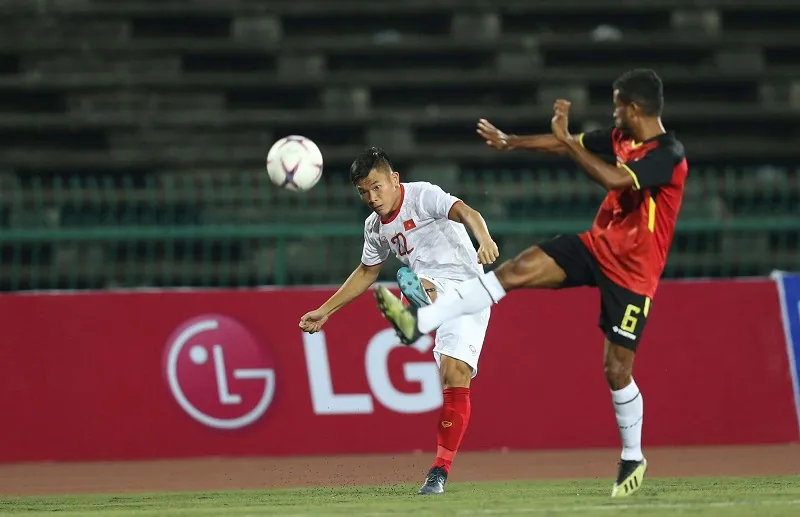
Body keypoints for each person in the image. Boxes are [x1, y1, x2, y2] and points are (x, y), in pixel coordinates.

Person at [373, 69, 688, 498]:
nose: (613, 112)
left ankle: (633, 455)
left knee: (616, 370)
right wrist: (512, 141)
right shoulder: (619, 137)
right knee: (515, 270)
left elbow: (612, 178)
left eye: (617, 104)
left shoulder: (668, 154)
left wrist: (569, 142)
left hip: (634, 275)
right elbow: (565, 143)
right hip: (597, 247)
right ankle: (420, 320)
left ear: (634, 108)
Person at [299, 147, 500, 495]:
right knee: (421, 293)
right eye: (363, 191)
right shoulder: (375, 227)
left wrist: (485, 239)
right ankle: (438, 472)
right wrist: (325, 310)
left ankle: (414, 312)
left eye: (377, 187)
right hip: (434, 284)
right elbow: (366, 272)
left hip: (471, 289)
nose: (372, 197)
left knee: (451, 365)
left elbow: (467, 211)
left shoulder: (422, 195)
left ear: (394, 180)